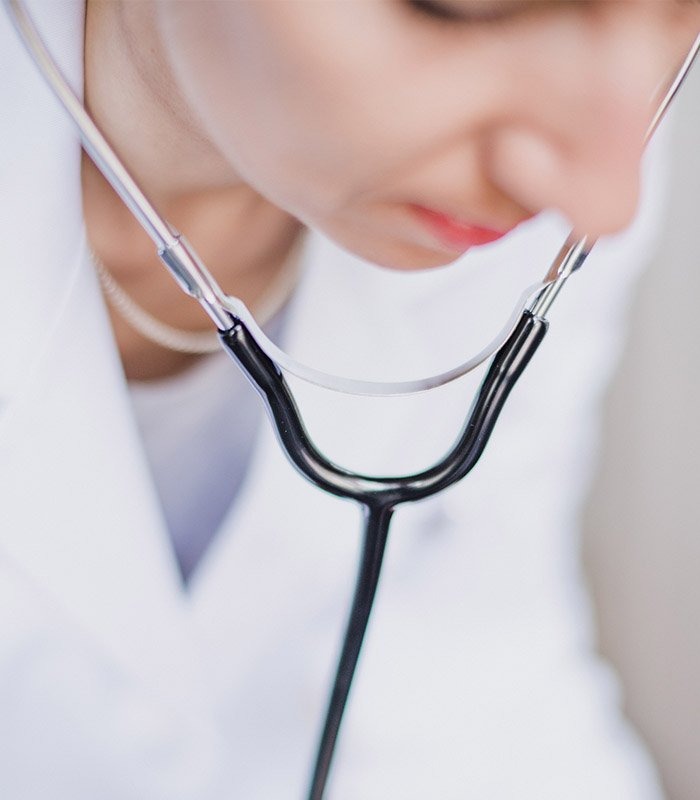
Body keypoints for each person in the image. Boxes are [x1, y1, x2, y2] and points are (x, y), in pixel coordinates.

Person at [0, 1, 698, 798]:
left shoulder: (557, 181)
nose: (610, 197)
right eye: (468, 8)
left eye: (681, 17)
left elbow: (473, 673)